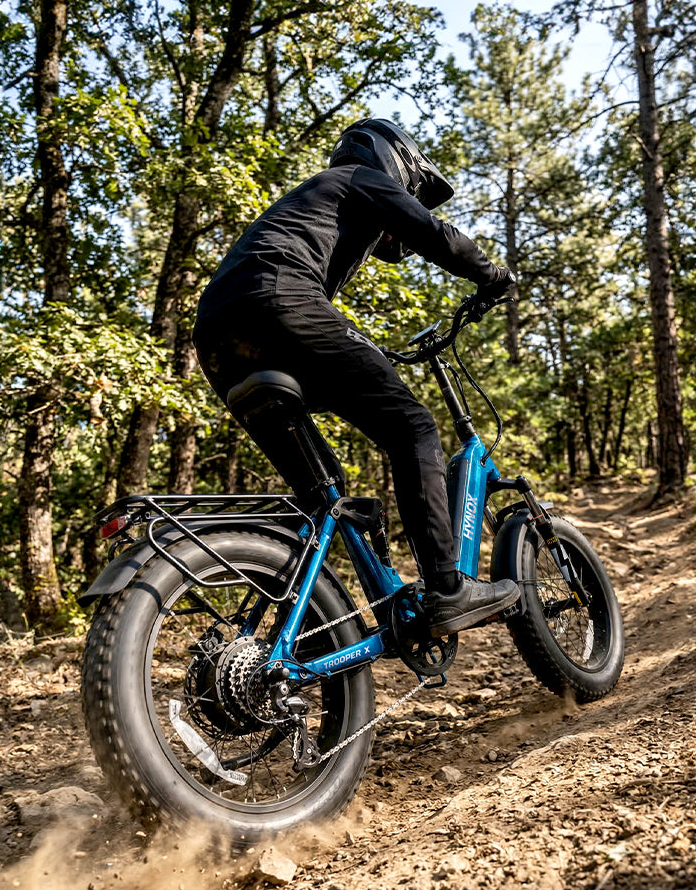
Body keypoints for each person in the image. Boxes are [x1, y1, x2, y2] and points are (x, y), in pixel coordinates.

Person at [193, 118, 520, 636]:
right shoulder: (358, 178)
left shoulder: (312, 208)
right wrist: (492, 275)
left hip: (216, 336)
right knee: (412, 428)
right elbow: (437, 236)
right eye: (413, 188)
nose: (409, 199)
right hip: (280, 304)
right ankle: (447, 589)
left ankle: (303, 636)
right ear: (395, 163)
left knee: (322, 492)